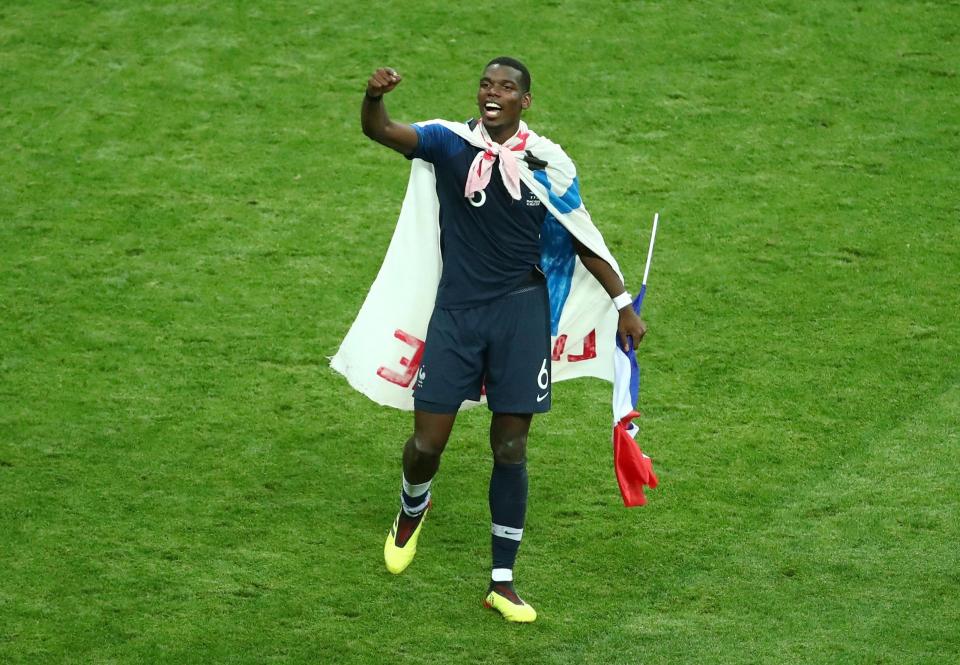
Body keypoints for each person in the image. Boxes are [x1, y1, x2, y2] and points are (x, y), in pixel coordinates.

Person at [360, 56, 647, 623]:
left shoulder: (548, 160)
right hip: (459, 315)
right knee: (427, 444)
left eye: (507, 88)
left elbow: (581, 232)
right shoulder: (448, 143)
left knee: (511, 448)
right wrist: (373, 97)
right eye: (487, 85)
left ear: (525, 102)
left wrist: (621, 306)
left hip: (521, 316)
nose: (493, 93)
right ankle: (412, 505)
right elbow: (382, 131)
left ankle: (502, 581)